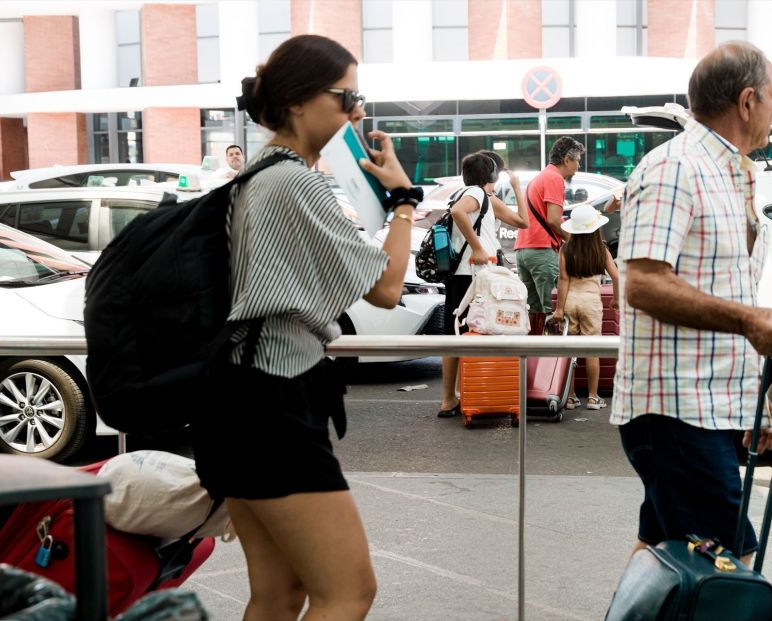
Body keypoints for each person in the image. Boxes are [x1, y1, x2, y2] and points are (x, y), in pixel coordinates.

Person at [190, 34, 417, 621]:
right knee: (348, 592)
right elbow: (387, 287)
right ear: (296, 101)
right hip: (271, 403)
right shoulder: (292, 181)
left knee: (279, 595)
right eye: (347, 97)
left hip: (238, 395)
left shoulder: (259, 174)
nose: (357, 111)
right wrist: (404, 199)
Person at [610, 41, 772, 568]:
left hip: (705, 405)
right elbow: (644, 285)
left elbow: (730, 292)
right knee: (729, 565)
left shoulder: (733, 173)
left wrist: (754, 399)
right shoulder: (675, 168)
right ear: (747, 101)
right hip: (676, 408)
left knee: (660, 556)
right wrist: (747, 319)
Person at [437, 150, 528, 417]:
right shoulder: (476, 193)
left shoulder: (479, 196)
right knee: (466, 334)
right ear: (492, 175)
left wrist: (516, 188)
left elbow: (522, 222)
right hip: (471, 274)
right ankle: (454, 398)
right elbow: (457, 211)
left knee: (458, 335)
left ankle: (456, 396)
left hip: (466, 274)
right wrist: (477, 247)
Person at [551, 203, 620, 410]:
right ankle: (593, 397)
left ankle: (570, 396)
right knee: (592, 350)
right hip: (591, 303)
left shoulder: (565, 249)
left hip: (570, 302)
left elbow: (563, 280)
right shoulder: (602, 250)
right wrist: (616, 300)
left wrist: (559, 309)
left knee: (570, 351)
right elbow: (617, 277)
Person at [514, 136, 585, 331]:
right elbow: (553, 219)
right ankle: (551, 350)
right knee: (553, 309)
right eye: (577, 160)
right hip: (542, 250)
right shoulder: (555, 178)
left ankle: (533, 348)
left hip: (524, 250)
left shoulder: (540, 177)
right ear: (566, 160)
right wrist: (573, 240)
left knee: (533, 309)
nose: (578, 166)